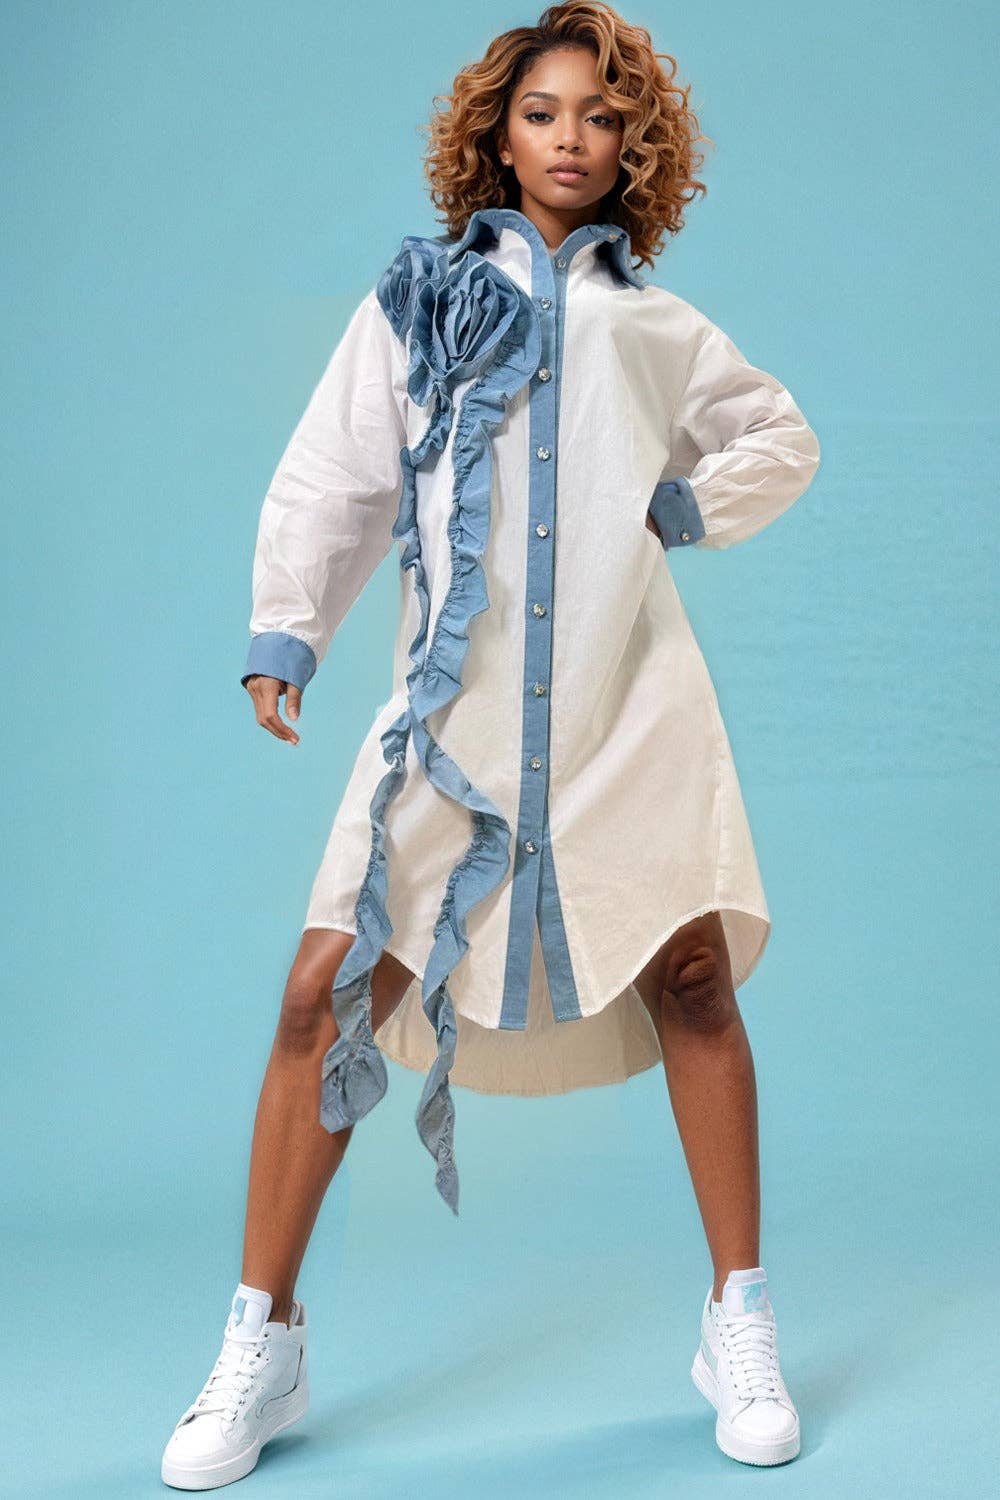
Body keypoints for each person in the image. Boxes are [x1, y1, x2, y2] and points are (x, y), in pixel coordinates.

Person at [161, 2, 819, 1487]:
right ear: (497, 135)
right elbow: (336, 473)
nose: (572, 137)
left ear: (635, 146)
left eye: (602, 115)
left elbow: (778, 436)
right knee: (323, 996)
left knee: (695, 979)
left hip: (628, 706)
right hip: (451, 721)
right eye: (542, 112)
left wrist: (684, 505)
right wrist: (287, 630)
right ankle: (262, 1340)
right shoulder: (419, 301)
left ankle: (740, 1319)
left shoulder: (657, 331)